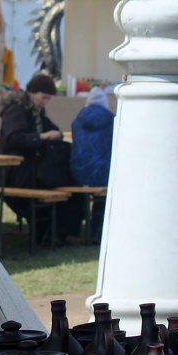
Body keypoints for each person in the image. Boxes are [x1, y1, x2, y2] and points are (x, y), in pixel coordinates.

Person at [0, 73, 78, 245]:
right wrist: (42, 137)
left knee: (65, 182)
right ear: (33, 92)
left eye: (48, 99)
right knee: (55, 180)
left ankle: (55, 232)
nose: (45, 102)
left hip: (28, 167)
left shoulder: (36, 112)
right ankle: (50, 231)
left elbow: (51, 129)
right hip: (14, 170)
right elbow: (14, 139)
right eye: (43, 97)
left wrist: (53, 134)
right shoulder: (16, 110)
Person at [70, 86, 115, 243]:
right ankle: (97, 231)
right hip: (104, 174)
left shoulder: (77, 120)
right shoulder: (112, 120)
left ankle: (80, 230)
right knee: (105, 190)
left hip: (78, 173)